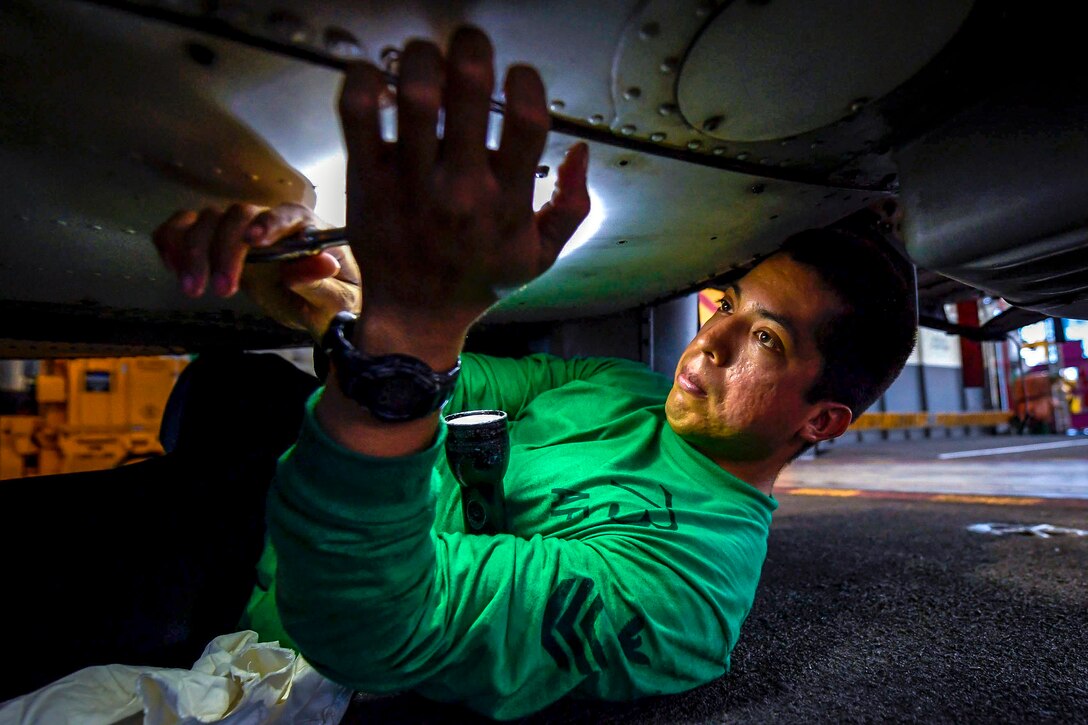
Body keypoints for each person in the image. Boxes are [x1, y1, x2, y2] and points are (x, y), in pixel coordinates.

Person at [153, 26, 917, 720]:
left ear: (820, 420)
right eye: (729, 305)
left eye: (768, 342)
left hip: (281, 636)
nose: (711, 341)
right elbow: (459, 382)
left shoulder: (686, 589)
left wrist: (405, 340)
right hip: (283, 506)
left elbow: (376, 624)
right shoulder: (626, 389)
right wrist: (327, 291)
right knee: (233, 386)